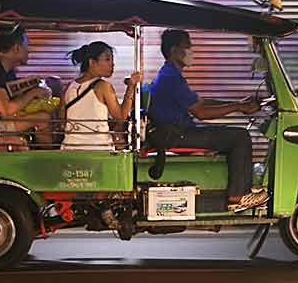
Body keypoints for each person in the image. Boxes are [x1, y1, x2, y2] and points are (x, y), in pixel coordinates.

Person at [147, 29, 267, 212]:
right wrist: (238, 108)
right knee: (239, 137)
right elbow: (201, 112)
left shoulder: (171, 74)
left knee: (232, 134)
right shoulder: (171, 78)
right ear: (173, 51)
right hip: (176, 135)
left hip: (177, 131)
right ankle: (239, 195)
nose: (191, 51)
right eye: (187, 47)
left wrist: (238, 103)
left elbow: (199, 102)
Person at [61, 41, 142, 150]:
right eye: (107, 59)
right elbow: (121, 117)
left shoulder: (69, 87)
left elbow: (62, 119)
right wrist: (131, 86)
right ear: (92, 62)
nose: (112, 64)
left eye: (112, 60)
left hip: (70, 148)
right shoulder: (104, 87)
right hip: (98, 149)